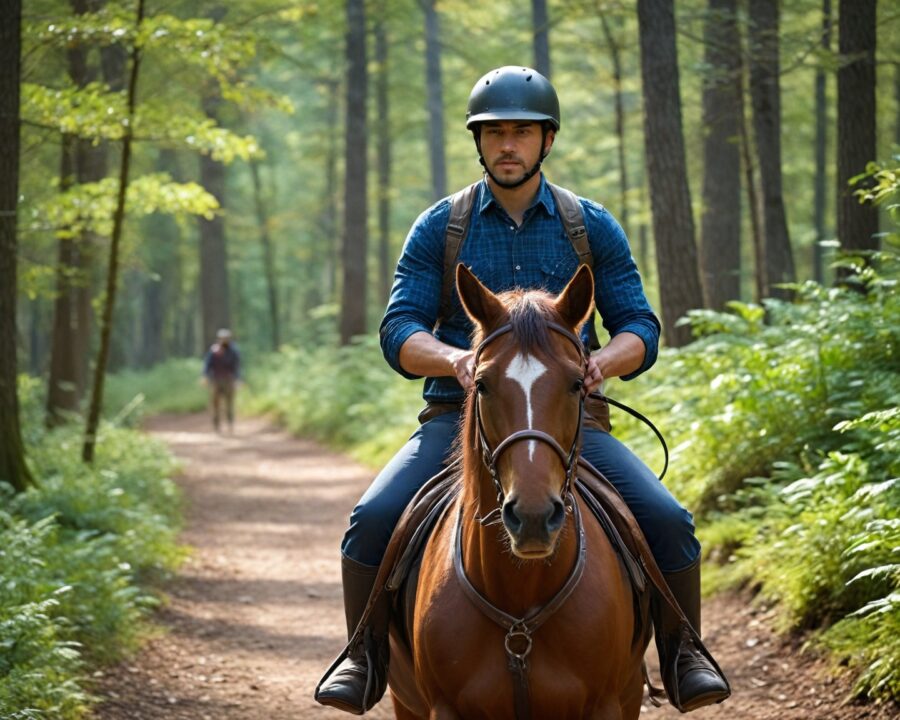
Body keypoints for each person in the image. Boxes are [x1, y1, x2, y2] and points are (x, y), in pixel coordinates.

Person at [316, 66, 729, 714]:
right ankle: (364, 659)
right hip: (463, 416)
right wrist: (456, 358)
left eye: (523, 133)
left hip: (573, 420)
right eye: (495, 132)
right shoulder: (440, 227)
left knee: (669, 521)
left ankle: (684, 656)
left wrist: (602, 365)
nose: (509, 144)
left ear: (547, 140)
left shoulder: (588, 226)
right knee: (370, 521)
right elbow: (398, 329)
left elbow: (640, 327)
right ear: (480, 143)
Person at [202, 328, 240, 433]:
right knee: (215, 404)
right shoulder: (214, 350)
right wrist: (205, 376)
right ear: (219, 339)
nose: (224, 340)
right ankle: (216, 425)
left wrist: (238, 380)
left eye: (226, 338)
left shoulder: (233, 351)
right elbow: (207, 364)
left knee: (229, 403)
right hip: (216, 380)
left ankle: (230, 424)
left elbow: (237, 367)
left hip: (229, 380)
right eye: (222, 338)